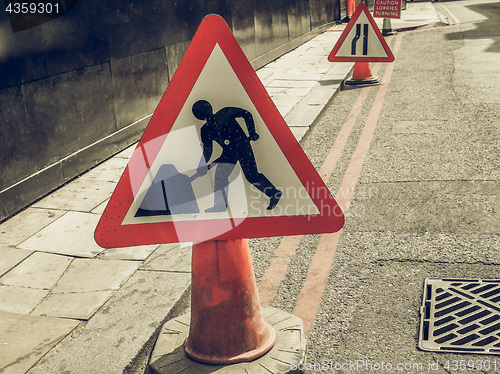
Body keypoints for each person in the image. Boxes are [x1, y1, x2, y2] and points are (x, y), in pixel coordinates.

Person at [192, 100, 282, 212]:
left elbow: (246, 114)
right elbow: (208, 150)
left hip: (242, 146)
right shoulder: (206, 129)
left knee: (251, 175)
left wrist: (252, 132)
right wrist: (202, 166)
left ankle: (274, 193)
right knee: (220, 177)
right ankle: (220, 205)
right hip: (228, 153)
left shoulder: (225, 113)